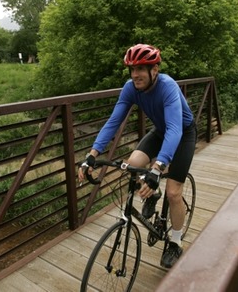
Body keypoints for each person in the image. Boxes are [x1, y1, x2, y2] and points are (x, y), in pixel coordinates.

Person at [78, 43, 197, 269]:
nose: (135, 75)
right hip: (161, 131)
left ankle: (175, 241)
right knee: (131, 165)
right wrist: (92, 154)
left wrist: (158, 167)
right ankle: (152, 195)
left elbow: (175, 130)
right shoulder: (130, 88)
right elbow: (114, 122)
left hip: (182, 134)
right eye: (132, 70)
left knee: (173, 193)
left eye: (141, 69)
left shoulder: (167, 87)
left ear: (154, 70)